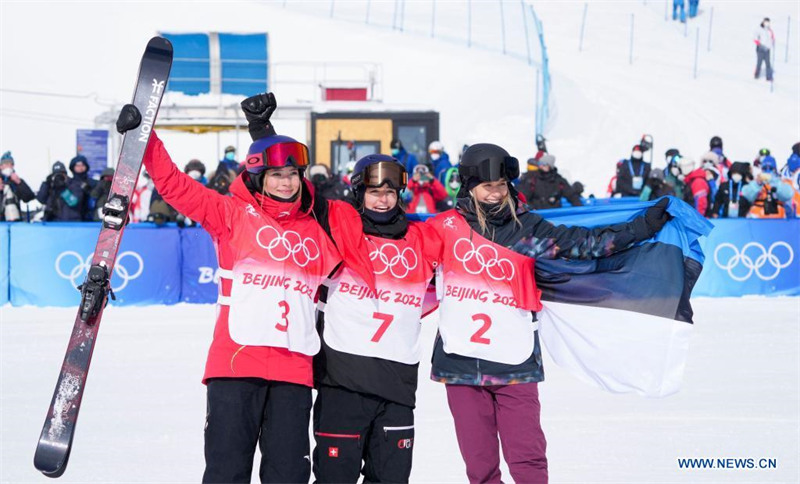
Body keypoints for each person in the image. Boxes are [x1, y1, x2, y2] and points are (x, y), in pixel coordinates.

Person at [115, 92, 341, 483]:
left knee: (288, 475)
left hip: (294, 371)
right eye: (276, 175)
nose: (286, 182)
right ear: (259, 178)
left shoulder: (318, 230)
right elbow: (174, 186)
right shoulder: (232, 215)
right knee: (226, 472)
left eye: (292, 174)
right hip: (236, 364)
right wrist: (145, 137)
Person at [426, 143, 671, 484]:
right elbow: (392, 254)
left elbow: (585, 244)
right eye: (487, 187)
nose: (495, 194)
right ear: (469, 186)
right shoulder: (441, 228)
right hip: (460, 364)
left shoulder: (528, 228)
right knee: (479, 466)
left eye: (500, 186)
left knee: (527, 459)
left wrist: (641, 227)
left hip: (515, 362)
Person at [313, 154, 442, 484]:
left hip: (397, 385)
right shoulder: (336, 230)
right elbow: (289, 195)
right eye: (374, 192)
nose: (383, 200)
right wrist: (262, 131)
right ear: (359, 194)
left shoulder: (423, 237)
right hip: (342, 381)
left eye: (389, 193)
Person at [518, 154, 583, 209]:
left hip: (556, 216)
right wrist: (531, 209)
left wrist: (580, 209)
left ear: (550, 166)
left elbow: (571, 195)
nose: (541, 165)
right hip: (538, 216)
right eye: (540, 163)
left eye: (544, 164)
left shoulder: (559, 180)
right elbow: (524, 197)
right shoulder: (532, 180)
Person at [0, 151, 36, 222]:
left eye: (11, 164)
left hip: (16, 220)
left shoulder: (17, 181)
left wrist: (20, 183)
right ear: (1, 166)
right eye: (6, 164)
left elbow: (29, 197)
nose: (9, 167)